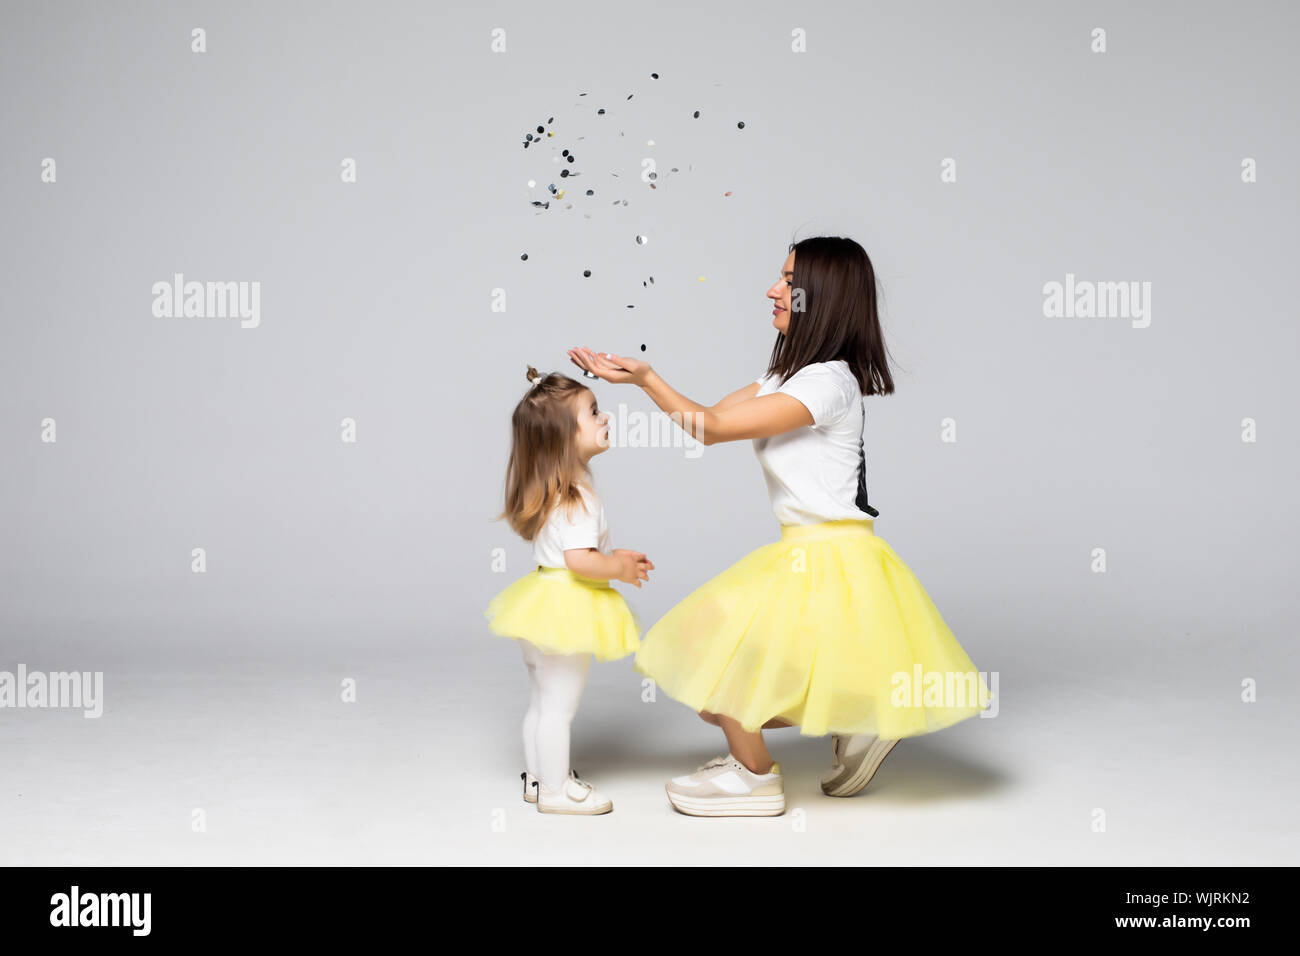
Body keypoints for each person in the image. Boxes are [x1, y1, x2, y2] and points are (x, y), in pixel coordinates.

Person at [567, 236, 992, 817]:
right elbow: (704, 420)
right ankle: (859, 716)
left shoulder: (828, 383)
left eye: (789, 281)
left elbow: (713, 427)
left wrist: (646, 379)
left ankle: (756, 777)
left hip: (830, 558)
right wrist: (637, 381)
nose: (773, 289)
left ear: (824, 298)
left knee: (723, 669)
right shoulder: (786, 378)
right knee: (718, 682)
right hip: (807, 552)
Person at [484, 365, 655, 814]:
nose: (605, 418)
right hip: (566, 608)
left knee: (541, 701)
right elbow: (581, 563)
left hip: (538, 601)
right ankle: (558, 792)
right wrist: (617, 566)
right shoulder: (579, 497)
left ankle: (539, 779)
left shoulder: (554, 492)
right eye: (594, 412)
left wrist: (614, 556)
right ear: (564, 437)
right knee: (559, 709)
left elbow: (570, 553)